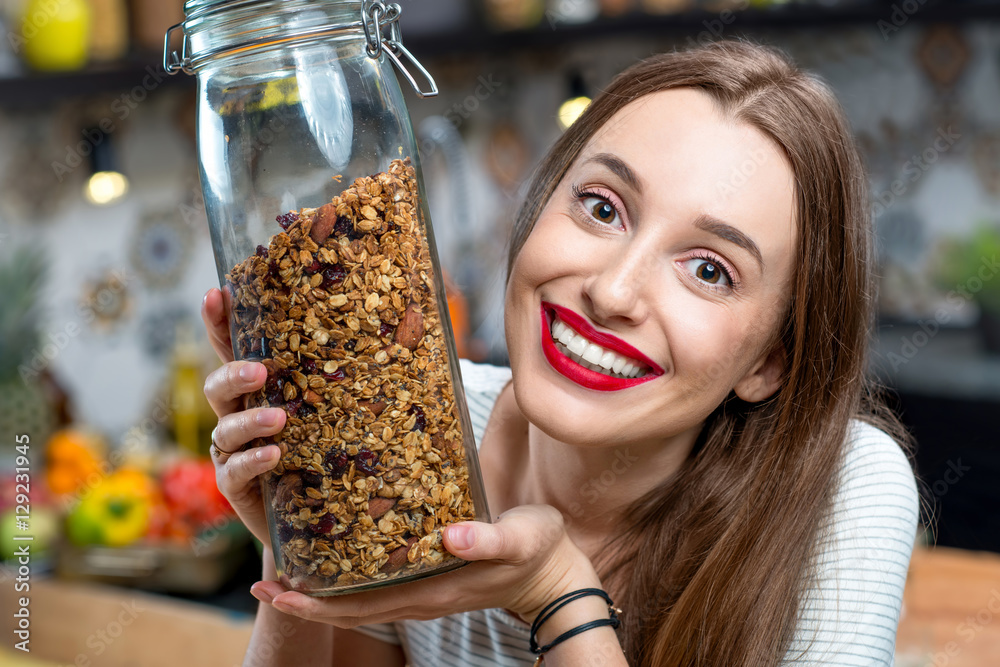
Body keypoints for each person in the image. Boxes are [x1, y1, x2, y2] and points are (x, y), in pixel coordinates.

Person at [201, 40, 919, 666]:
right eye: (602, 207)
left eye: (709, 269)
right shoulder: (414, 446)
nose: (613, 290)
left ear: (771, 362)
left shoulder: (838, 487)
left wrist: (559, 596)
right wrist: (308, 543)